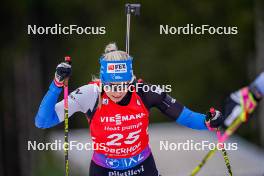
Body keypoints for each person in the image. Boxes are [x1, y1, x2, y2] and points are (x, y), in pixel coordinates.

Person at [35, 43, 225, 176]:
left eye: (122, 85)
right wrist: (57, 84)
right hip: (104, 170)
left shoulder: (145, 92)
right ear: (102, 81)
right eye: (110, 86)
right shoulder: (90, 94)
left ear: (131, 81)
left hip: (142, 168)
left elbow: (184, 115)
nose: (116, 92)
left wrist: (207, 121)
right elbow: (43, 121)